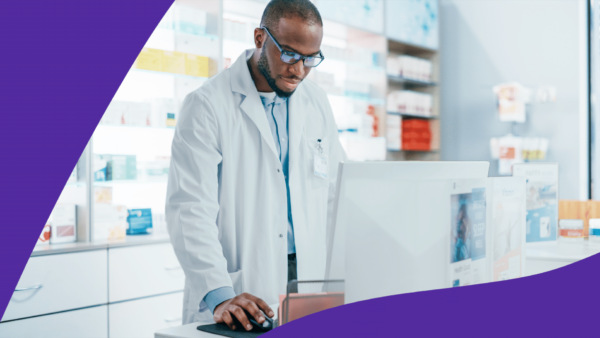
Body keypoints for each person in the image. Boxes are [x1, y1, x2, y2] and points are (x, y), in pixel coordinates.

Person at [165, 0, 347, 331]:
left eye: (310, 59)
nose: (299, 70)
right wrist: (219, 294)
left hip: (309, 281)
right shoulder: (207, 105)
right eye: (290, 54)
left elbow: (336, 193)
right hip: (242, 285)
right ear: (260, 38)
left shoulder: (316, 102)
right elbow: (190, 209)